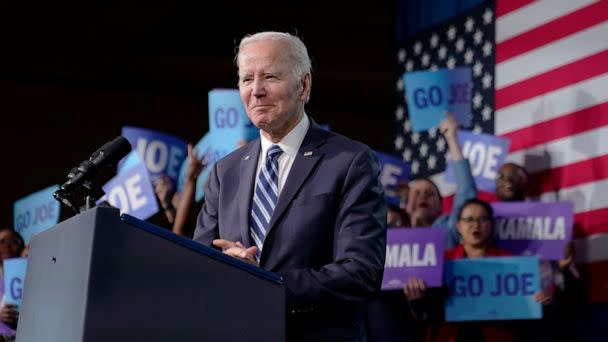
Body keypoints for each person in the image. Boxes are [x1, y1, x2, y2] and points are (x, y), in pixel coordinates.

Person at [192, 31, 387, 341]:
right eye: (246, 79)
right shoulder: (225, 171)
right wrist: (224, 271)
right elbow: (196, 267)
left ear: (304, 85)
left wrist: (264, 283)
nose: (256, 91)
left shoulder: (350, 161)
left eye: (269, 76)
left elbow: (360, 272)